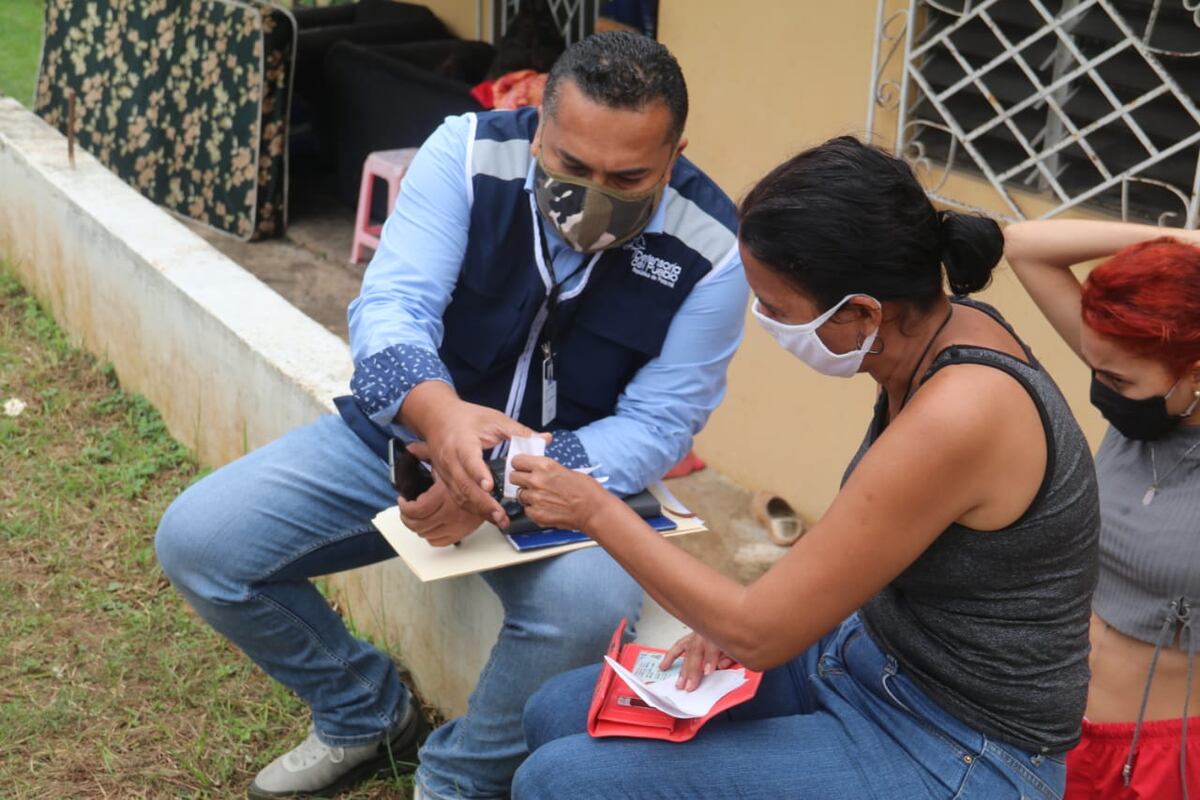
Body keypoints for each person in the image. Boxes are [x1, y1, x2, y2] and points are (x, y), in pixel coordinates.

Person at [154, 32, 748, 800]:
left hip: (569, 484)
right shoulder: (464, 154)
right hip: (404, 442)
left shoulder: (716, 250)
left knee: (589, 603)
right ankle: (364, 712)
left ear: (675, 156)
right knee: (201, 543)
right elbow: (393, 310)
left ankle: (458, 780)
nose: (594, 194)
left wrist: (494, 479)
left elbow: (658, 426)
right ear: (538, 128)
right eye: (571, 165)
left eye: (628, 177)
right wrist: (444, 428)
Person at [508, 137, 1101, 799]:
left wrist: (595, 510)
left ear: (862, 313)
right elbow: (857, 543)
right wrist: (742, 620)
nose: (763, 321)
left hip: (959, 746)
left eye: (778, 309)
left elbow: (760, 635)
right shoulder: (925, 336)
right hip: (867, 659)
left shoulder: (961, 411)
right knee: (555, 714)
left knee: (559, 784)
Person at [1005, 220, 1200, 799]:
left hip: (1162, 759)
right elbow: (1024, 247)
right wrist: (1184, 244)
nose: (1101, 391)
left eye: (1115, 379)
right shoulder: (1145, 398)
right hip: (1054, 726)